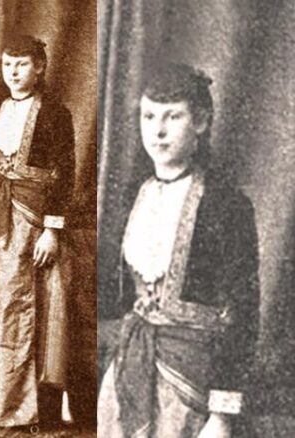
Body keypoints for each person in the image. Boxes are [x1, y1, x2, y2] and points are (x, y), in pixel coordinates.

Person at [97, 63, 259, 438]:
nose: (158, 131)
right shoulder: (132, 197)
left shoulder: (227, 205)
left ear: (200, 122)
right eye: (149, 116)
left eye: (173, 117)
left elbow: (244, 310)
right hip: (129, 369)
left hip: (193, 385)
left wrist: (221, 415)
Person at [0, 34, 76, 429]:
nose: (12, 72)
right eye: (7, 64)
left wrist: (52, 230)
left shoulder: (56, 114)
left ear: (39, 68)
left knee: (16, 301)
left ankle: (18, 409)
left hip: (30, 216)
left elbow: (65, 175)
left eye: (22, 64)